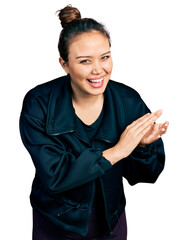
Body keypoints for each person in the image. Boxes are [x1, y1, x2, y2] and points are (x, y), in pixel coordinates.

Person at [19, 5, 169, 240]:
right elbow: (55, 177)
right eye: (85, 61)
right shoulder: (39, 104)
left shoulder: (128, 101)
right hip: (56, 223)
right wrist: (118, 151)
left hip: (111, 223)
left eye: (105, 57)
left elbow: (145, 176)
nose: (99, 70)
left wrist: (142, 147)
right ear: (64, 64)